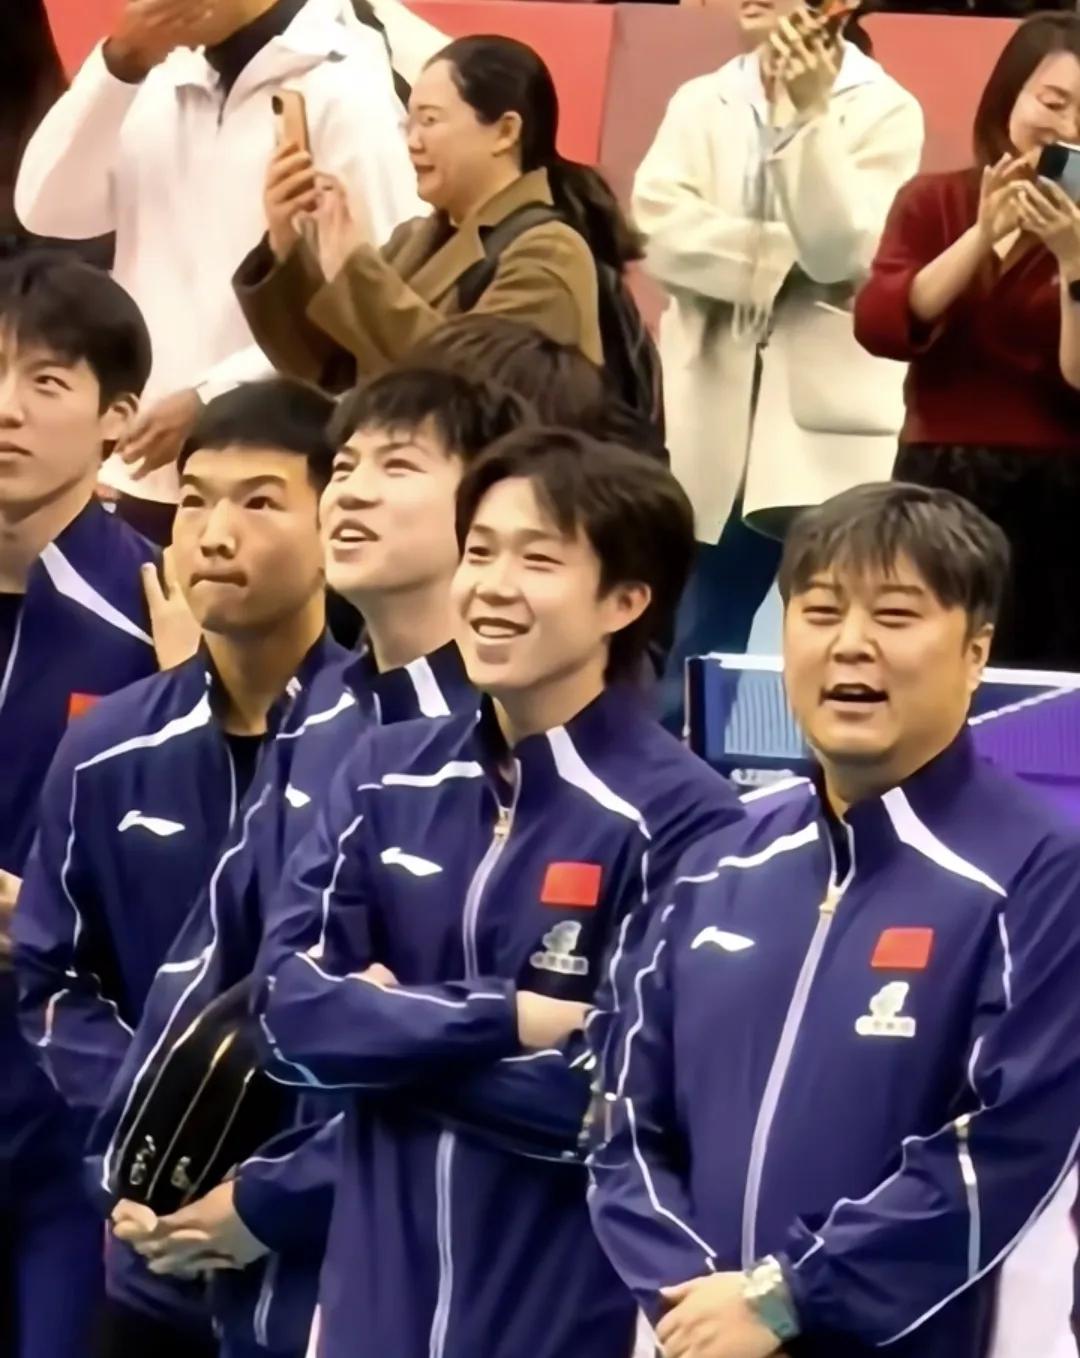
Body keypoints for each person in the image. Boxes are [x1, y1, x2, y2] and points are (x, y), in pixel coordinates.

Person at [253, 428, 744, 1358]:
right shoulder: (386, 772)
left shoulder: (686, 818)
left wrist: (384, 1043)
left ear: (626, 600)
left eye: (538, 560)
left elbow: (608, 1102)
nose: (492, 586)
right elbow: (287, 1019)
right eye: (479, 552)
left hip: (563, 1321)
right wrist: (511, 1017)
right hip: (367, 1317)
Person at [588, 481, 1080, 1358]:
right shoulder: (717, 860)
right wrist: (695, 1306)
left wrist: (786, 1300)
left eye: (896, 615)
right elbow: (622, 1120)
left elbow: (1007, 1146)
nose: (851, 643)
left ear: (975, 651)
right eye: (819, 611)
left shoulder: (1039, 871)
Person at [92, 369, 524, 1358]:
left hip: (392, 1271)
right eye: (346, 465)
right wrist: (136, 1164)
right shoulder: (323, 708)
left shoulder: (504, 738)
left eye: (398, 466)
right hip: (222, 1270)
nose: (354, 491)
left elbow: (458, 1049)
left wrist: (273, 1198)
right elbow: (216, 958)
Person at [12, 377, 342, 1358]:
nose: (213, 534)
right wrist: (163, 1126)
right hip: (146, 1242)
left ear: (335, 524)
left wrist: (263, 1180)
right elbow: (52, 975)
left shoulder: (392, 753)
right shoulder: (109, 746)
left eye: (260, 501)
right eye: (194, 500)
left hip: (321, 1266)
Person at [15, 0, 425, 540]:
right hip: (136, 468)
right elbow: (47, 209)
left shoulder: (347, 84)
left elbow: (379, 297)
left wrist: (215, 392)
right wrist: (120, 66)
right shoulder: (160, 73)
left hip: (270, 473)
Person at [633, 0, 922, 673]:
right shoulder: (701, 99)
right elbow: (657, 234)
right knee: (689, 638)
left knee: (835, 627)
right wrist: (781, 262)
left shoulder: (885, 109)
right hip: (707, 411)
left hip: (820, 426)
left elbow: (839, 250)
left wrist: (810, 117)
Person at [0, 251, 156, 1358]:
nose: (6, 408)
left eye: (46, 381)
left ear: (118, 418)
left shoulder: (163, 609)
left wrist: (53, 919)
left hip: (75, 1099)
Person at [855, 13, 1080, 670]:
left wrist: (1072, 258)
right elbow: (881, 323)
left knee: (1047, 680)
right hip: (938, 483)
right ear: (1010, 94)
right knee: (925, 661)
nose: (1068, 127)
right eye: (1053, 102)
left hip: (1063, 493)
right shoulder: (934, 200)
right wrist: (982, 234)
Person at [233, 35, 641, 386]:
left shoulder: (550, 251)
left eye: (429, 121)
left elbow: (473, 390)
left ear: (505, 131)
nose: (413, 142)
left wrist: (354, 268)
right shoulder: (412, 241)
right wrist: (285, 244)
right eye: (409, 124)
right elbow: (330, 368)